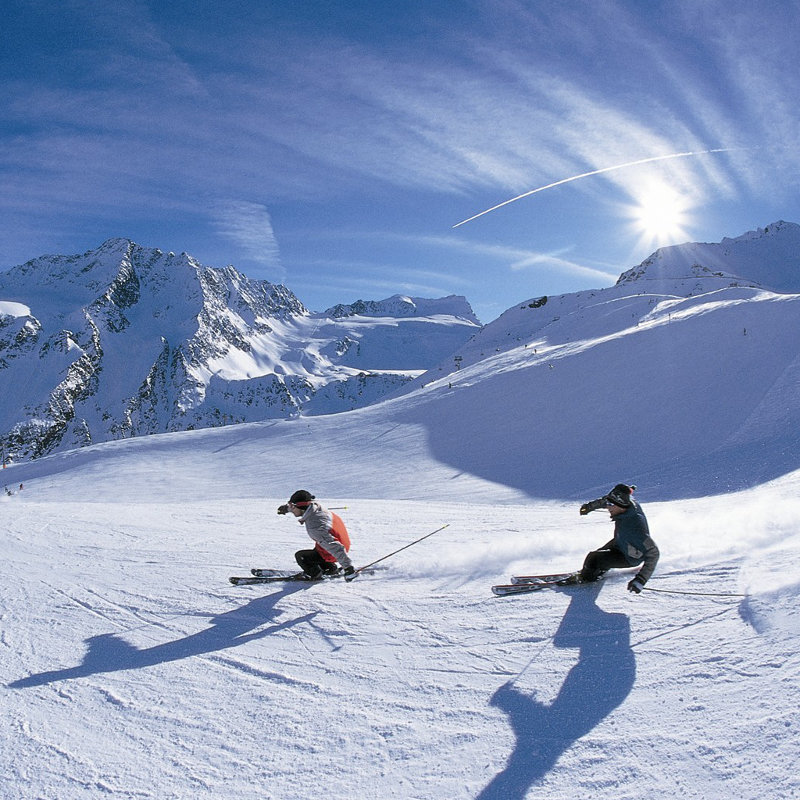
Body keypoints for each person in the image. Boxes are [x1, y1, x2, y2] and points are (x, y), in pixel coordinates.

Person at [577, 483, 659, 593]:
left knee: (593, 558)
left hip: (630, 556)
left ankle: (586, 579)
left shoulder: (635, 525)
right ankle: (596, 569)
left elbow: (654, 552)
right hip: (620, 542)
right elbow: (606, 500)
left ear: (621, 505)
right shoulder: (627, 505)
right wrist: (589, 507)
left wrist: (641, 580)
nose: (608, 507)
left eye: (611, 504)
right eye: (608, 504)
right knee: (597, 556)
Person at [277, 490, 356, 581]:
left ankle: (314, 574)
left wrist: (348, 568)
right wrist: (286, 509)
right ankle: (330, 568)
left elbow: (334, 546)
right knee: (319, 548)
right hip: (340, 541)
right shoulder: (315, 507)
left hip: (337, 549)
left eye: (292, 506)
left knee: (301, 557)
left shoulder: (315, 526)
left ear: (299, 507)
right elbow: (300, 506)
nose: (291, 508)